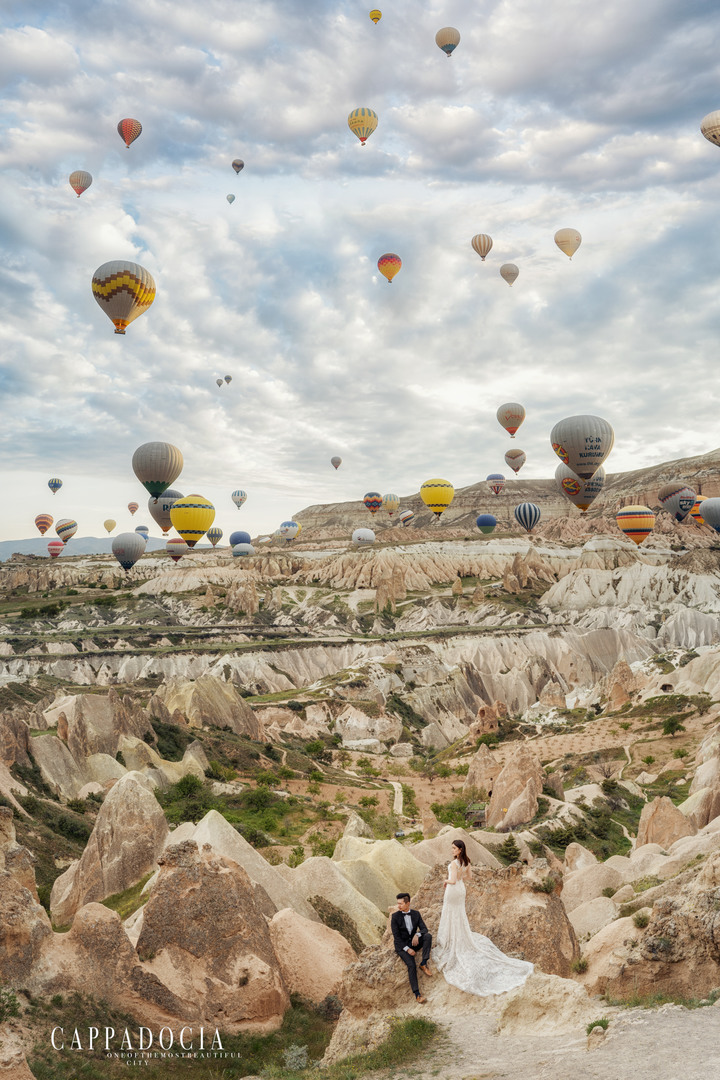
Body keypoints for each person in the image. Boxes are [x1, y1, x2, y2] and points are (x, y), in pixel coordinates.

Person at [432, 839, 533, 996]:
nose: (451, 850)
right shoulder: (466, 862)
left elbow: (451, 880)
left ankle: (450, 939)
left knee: (450, 914)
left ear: (459, 850)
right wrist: (458, 878)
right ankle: (457, 936)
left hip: (453, 890)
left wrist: (446, 881)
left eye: (454, 848)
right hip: (461, 890)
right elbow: (469, 877)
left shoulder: (453, 864)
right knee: (459, 914)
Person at [390, 892, 433, 1003]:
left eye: (400, 904)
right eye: (397, 903)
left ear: (408, 903)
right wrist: (407, 949)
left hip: (413, 942)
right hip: (402, 946)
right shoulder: (395, 917)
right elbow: (397, 938)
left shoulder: (416, 914)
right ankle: (417, 995)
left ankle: (423, 963)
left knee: (428, 936)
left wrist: (417, 935)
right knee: (411, 965)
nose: (398, 906)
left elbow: (424, 929)